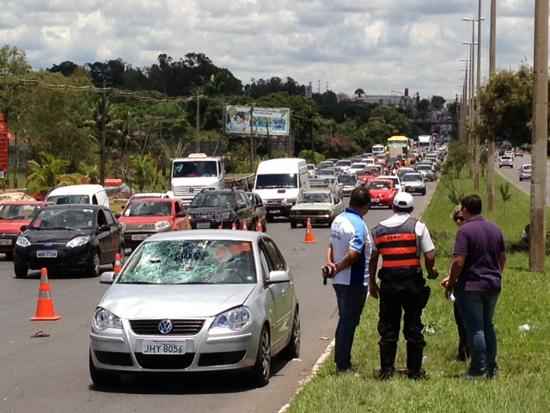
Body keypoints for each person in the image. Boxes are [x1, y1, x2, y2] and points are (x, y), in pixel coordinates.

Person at [369, 192, 438, 379]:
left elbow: (373, 258)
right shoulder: (418, 227)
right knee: (413, 325)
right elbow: (430, 255)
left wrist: (372, 284)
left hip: (389, 284)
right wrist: (431, 272)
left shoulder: (378, 230)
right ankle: (414, 371)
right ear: (411, 208)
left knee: (388, 327)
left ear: (393, 207)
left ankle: (386, 370)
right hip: (412, 283)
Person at [441, 195, 506, 379]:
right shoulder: (495, 229)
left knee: (475, 328)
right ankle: (492, 368)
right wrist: (496, 274)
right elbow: (502, 258)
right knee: (488, 325)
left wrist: (452, 282)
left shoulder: (465, 231)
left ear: (465, 209)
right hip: (493, 285)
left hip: (471, 286)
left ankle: (478, 370)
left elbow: (458, 261)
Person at [324, 187, 373, 373]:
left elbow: (330, 245)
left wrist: (331, 265)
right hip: (354, 280)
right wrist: (337, 267)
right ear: (366, 206)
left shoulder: (339, 220)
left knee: (344, 320)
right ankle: (343, 365)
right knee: (349, 322)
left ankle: (341, 360)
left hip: (339, 281)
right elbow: (354, 254)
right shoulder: (358, 225)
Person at [450, 207, 469, 361]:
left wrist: (451, 281)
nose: (458, 221)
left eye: (461, 218)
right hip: (462, 280)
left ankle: (466, 352)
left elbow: (459, 262)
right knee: (461, 320)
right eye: (456, 218)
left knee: (464, 320)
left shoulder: (464, 235)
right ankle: (463, 350)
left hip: (466, 284)